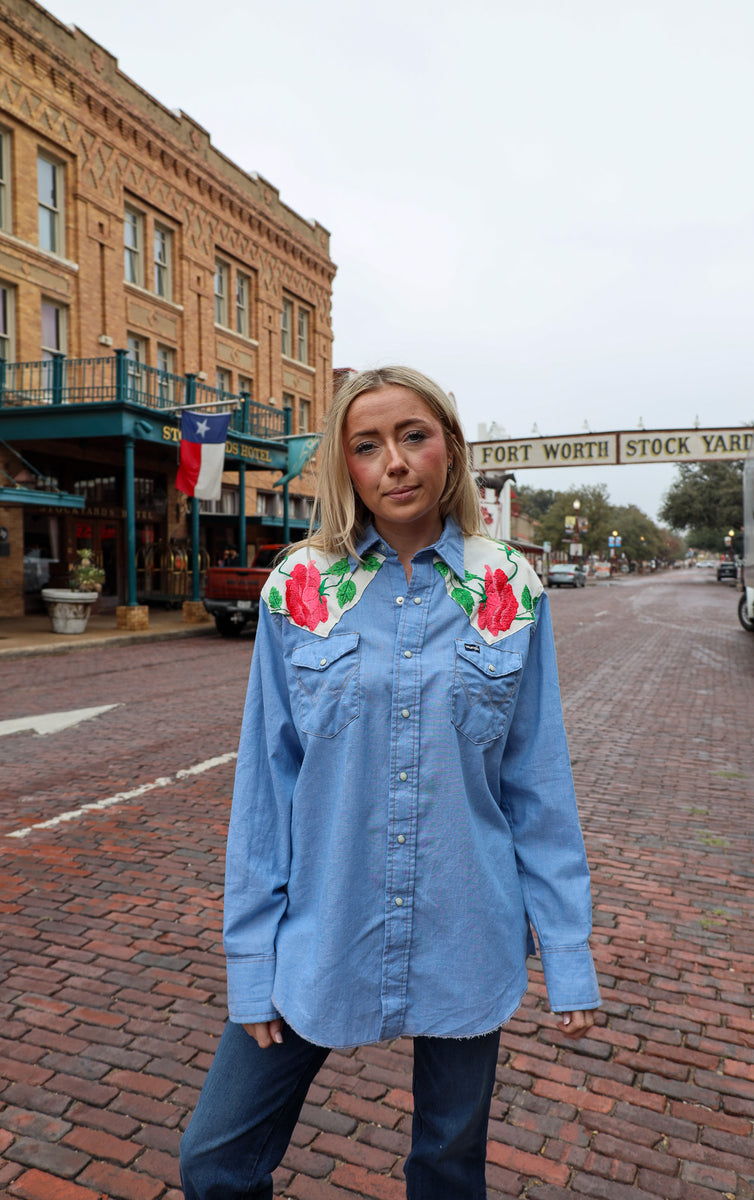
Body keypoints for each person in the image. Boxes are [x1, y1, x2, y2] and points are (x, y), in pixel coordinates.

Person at [180, 365, 600, 1200]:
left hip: (467, 928)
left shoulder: (507, 587)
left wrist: (568, 947)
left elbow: (536, 782)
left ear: (449, 449)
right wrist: (252, 963)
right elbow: (267, 787)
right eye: (367, 446)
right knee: (216, 1163)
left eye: (414, 436)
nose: (395, 462)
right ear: (348, 469)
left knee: (447, 1170)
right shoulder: (300, 588)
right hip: (318, 928)